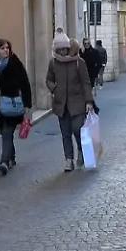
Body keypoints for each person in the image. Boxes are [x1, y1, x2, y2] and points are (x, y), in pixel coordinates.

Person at [0, 39, 33, 176]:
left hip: (12, 105)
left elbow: (25, 83)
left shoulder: (15, 62)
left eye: (7, 48)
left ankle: (4, 162)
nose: (6, 50)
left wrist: (27, 104)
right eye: (2, 48)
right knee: (4, 133)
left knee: (7, 132)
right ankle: (11, 157)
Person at [47, 33, 95, 172]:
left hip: (78, 102)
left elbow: (86, 83)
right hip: (61, 104)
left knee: (78, 129)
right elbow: (48, 79)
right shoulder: (53, 63)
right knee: (65, 133)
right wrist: (54, 88)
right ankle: (69, 160)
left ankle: (81, 150)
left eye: (64, 49)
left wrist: (88, 101)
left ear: (68, 48)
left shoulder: (79, 62)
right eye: (59, 49)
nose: (62, 51)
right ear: (56, 50)